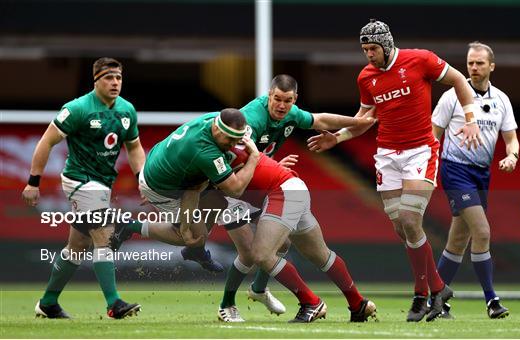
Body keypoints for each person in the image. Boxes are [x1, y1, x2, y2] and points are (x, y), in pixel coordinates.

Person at [307, 19, 483, 322]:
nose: (369, 55)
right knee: (402, 229)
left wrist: (470, 118)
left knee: (409, 219)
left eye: (373, 48)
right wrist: (335, 138)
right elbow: (363, 120)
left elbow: (459, 81)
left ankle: (420, 294)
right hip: (387, 155)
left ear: (387, 44)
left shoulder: (420, 59)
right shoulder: (366, 77)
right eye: (364, 49)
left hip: (420, 151)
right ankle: (439, 288)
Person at [216, 74, 377, 321]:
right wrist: (269, 167)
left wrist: (357, 122)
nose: (282, 105)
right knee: (258, 252)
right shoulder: (252, 118)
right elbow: (234, 157)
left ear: (295, 99)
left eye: (288, 100)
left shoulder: (290, 113)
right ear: (268, 95)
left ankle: (299, 299)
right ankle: (233, 301)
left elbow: (320, 119)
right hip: (241, 187)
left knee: (268, 251)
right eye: (277, 99)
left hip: (270, 187)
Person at [22, 57, 145, 319]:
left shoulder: (127, 110)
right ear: (96, 80)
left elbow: (134, 147)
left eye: (119, 78)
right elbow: (46, 142)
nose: (115, 83)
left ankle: (48, 302)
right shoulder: (77, 109)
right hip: (79, 180)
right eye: (109, 78)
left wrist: (141, 179)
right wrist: (33, 182)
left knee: (76, 247)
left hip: (102, 182)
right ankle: (114, 303)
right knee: (104, 235)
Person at [221, 148, 377, 323]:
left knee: (261, 254)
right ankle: (358, 304)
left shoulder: (205, 152)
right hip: (291, 186)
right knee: (319, 254)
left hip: (280, 191)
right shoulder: (221, 143)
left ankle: (311, 302)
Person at [432, 42, 518, 319]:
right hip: (455, 170)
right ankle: (492, 300)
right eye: (470, 63)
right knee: (481, 232)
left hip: (482, 174)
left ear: (491, 66)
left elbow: (511, 138)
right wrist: (428, 170)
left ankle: (434, 298)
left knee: (458, 241)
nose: (474, 67)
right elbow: (433, 135)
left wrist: (512, 156)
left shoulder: (502, 100)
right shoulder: (452, 97)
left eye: (480, 63)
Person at [132, 109, 260, 272]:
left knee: (217, 201)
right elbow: (235, 190)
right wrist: (255, 157)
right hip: (162, 188)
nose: (233, 145)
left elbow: (193, 189)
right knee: (192, 237)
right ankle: (130, 226)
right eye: (230, 139)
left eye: (237, 140)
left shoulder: (215, 118)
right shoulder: (205, 151)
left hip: (167, 168)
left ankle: (195, 250)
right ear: (217, 129)